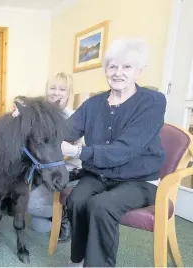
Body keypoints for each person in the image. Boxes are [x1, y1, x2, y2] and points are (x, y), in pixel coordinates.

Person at [62, 39, 166, 267]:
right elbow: (64, 130)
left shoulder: (153, 102)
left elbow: (125, 150)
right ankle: (78, 259)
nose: (118, 73)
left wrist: (78, 150)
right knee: (76, 201)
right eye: (112, 67)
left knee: (102, 206)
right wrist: (32, 120)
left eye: (127, 67)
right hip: (98, 174)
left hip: (139, 180)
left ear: (140, 70)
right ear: (105, 70)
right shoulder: (92, 104)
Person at [23, 72, 82, 243]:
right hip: (44, 173)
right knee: (39, 226)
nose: (56, 93)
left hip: (68, 172)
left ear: (69, 93)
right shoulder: (41, 116)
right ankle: (65, 214)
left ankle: (64, 215)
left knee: (30, 205)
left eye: (62, 89)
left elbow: (79, 151)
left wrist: (70, 150)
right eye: (52, 88)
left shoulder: (74, 117)